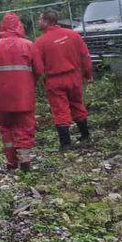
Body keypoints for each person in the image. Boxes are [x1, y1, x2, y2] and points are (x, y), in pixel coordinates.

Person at [0, 13, 42, 170]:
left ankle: (11, 162)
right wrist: (30, 84)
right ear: (19, 26)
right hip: (23, 95)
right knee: (24, 126)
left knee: (5, 127)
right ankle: (25, 160)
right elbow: (38, 69)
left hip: (2, 96)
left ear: (3, 27)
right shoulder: (28, 45)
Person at [35, 10, 93, 150]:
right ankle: (85, 135)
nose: (38, 22)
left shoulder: (40, 42)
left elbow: (37, 66)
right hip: (74, 76)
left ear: (46, 21)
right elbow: (85, 56)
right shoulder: (73, 35)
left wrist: (36, 80)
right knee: (77, 104)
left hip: (54, 80)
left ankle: (65, 144)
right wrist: (87, 74)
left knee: (60, 110)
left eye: (40, 19)